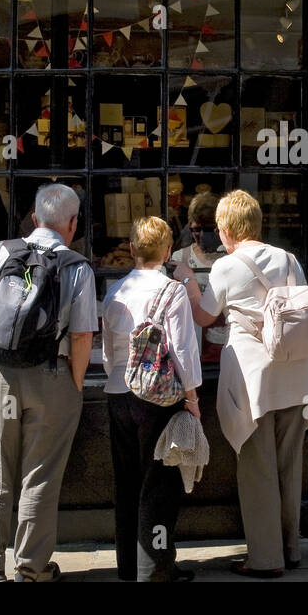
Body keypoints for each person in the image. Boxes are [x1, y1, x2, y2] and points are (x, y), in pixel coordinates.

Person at [172, 190, 308, 578]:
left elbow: (204, 318)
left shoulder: (226, 267)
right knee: (289, 467)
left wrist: (189, 280)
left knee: (257, 468)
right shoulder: (290, 260)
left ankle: (265, 559)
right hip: (298, 374)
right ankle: (291, 550)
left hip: (255, 380)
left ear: (226, 229)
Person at [0, 183, 96, 582]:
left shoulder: (0, 252)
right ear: (73, 223)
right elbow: (83, 335)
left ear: (33, 219)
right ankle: (31, 568)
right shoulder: (77, 266)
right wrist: (75, 384)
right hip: (54, 376)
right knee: (41, 474)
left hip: (0, 376)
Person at [101, 215, 203, 582]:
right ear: (167, 252)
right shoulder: (172, 291)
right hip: (158, 400)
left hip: (118, 393)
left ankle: (128, 566)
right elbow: (183, 350)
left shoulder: (115, 291)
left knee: (126, 482)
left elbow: (109, 354)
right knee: (159, 483)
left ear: (131, 249)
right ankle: (157, 567)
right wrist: (191, 398)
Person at [169, 192, 229, 362]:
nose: (202, 235)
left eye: (209, 229)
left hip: (223, 341)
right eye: (196, 229)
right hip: (191, 340)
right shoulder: (181, 257)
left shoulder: (231, 258)